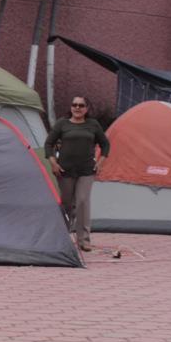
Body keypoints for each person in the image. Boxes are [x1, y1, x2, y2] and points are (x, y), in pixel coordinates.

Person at [44, 96, 110, 252]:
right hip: (65, 170)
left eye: (81, 105)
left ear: (87, 108)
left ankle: (84, 240)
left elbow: (105, 144)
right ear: (71, 107)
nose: (77, 108)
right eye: (74, 105)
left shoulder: (93, 125)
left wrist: (100, 163)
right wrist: (53, 162)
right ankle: (62, 237)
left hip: (87, 170)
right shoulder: (62, 123)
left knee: (81, 201)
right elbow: (49, 143)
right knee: (67, 204)